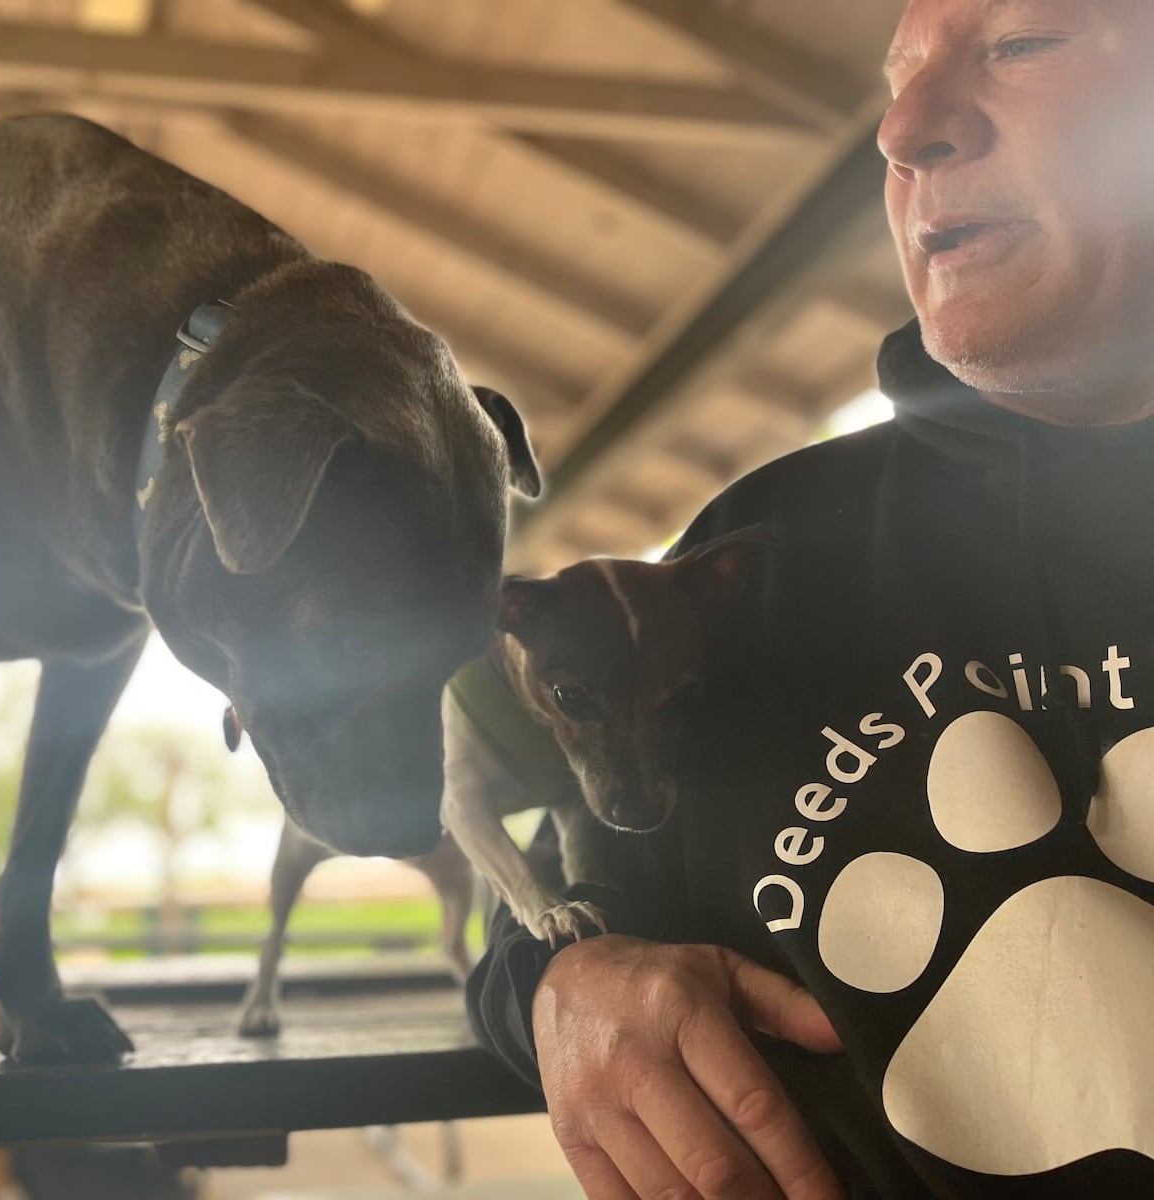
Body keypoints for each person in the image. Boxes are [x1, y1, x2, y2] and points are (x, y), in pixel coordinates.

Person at [467, 1, 1154, 1196]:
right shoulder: (756, 557)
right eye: (899, 73)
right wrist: (566, 993)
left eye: (1023, 43)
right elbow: (564, 920)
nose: (903, 127)